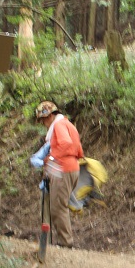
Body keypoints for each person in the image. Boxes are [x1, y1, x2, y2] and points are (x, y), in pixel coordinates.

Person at [33, 101, 84, 248]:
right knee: (56, 205)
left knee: (57, 208)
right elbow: (78, 149)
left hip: (63, 169)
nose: (43, 123)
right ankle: (57, 242)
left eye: (42, 119)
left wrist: (51, 158)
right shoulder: (68, 124)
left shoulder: (59, 125)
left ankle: (65, 243)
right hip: (72, 168)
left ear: (49, 115)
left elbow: (66, 143)